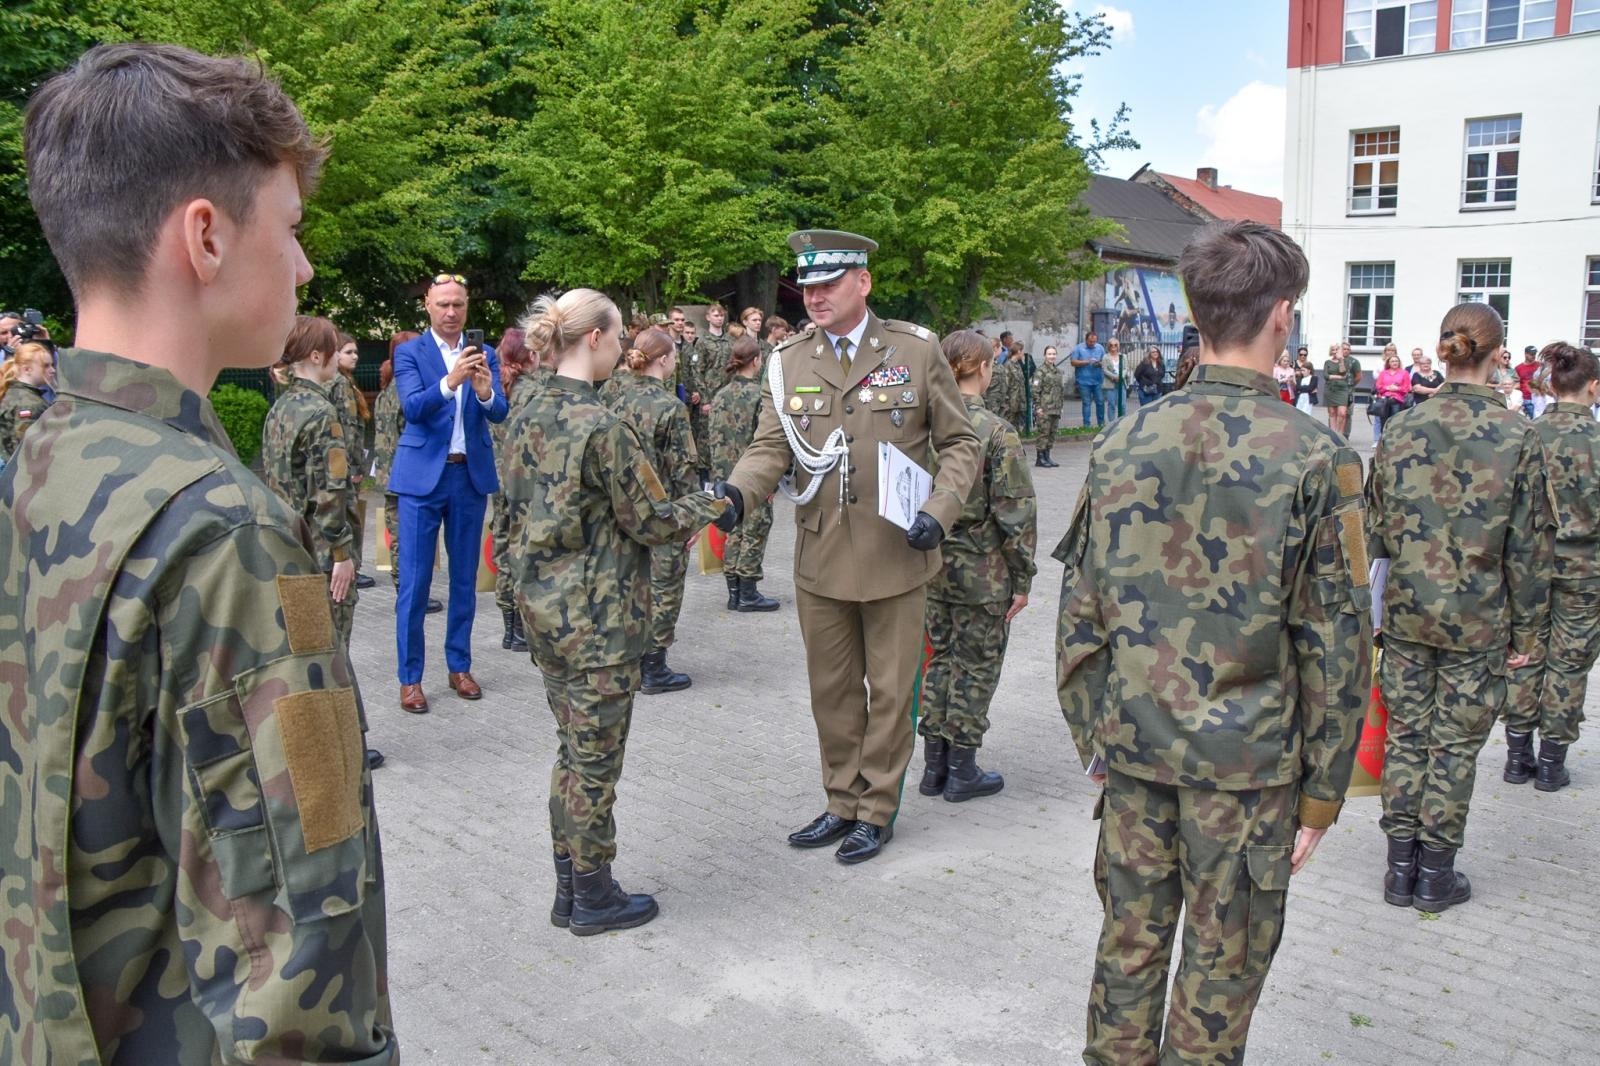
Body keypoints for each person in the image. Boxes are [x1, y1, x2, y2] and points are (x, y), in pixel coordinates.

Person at [2, 41, 395, 1060]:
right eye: (292, 229)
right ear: (206, 236)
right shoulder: (228, 535)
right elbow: (299, 985)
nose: (304, 267)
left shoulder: (38, 457)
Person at [1057, 221, 1369, 1063]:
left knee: (1126, 955)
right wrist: (1322, 795)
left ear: (1197, 316)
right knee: (1219, 982)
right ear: (1283, 316)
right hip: (1250, 773)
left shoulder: (1122, 439)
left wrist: (1097, 735)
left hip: (1135, 756)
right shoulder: (1319, 458)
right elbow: (1339, 648)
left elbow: (1077, 611)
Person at [717, 229, 980, 864]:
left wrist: (940, 512)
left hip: (898, 549)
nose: (814, 296)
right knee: (832, 691)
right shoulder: (789, 361)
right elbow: (770, 448)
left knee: (891, 692)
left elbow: (960, 444)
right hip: (822, 554)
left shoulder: (914, 351)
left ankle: (877, 809)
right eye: (806, 286)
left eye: (828, 284)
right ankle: (841, 800)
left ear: (863, 282)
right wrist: (735, 496)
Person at [503, 288, 727, 936]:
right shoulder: (601, 425)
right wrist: (721, 505)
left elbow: (514, 503)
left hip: (543, 607)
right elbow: (654, 519)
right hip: (598, 617)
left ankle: (570, 888)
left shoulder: (527, 404)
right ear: (594, 338)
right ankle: (595, 894)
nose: (623, 345)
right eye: (619, 332)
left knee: (572, 751)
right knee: (595, 759)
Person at [1366, 302, 1554, 914]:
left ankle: (1400, 871)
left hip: (1408, 611)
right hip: (1479, 617)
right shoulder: (1518, 435)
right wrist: (1528, 630)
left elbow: (1375, 529)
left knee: (1409, 738)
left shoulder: (1401, 427)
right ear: (1499, 353)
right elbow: (1529, 543)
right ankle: (1435, 875)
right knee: (1453, 747)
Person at [917, 330, 1036, 802]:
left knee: (939, 661)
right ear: (983, 369)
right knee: (976, 666)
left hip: (929, 564)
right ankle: (962, 769)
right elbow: (1015, 511)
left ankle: (933, 767)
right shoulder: (995, 431)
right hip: (983, 574)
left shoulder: (921, 425)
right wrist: (1023, 578)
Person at [261, 316, 385, 771]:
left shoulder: (283, 407)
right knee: (333, 649)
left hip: (288, 546)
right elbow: (330, 494)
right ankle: (339, 748)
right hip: (320, 551)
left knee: (305, 650)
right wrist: (341, 556)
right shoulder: (320, 413)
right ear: (317, 356)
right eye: (334, 349)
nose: (338, 356)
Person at [389, 274, 508, 713]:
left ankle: (459, 666)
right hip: (421, 479)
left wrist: (484, 392)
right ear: (428, 305)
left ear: (467, 305)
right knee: (416, 584)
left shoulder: (486, 353)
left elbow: (499, 413)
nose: (452, 312)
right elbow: (413, 408)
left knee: (464, 581)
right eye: (443, 305)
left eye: (458, 304)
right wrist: (450, 381)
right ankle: (411, 678)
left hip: (468, 478)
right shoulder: (410, 353)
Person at [1503, 341, 1600, 792]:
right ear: (1594, 388)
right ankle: (1551, 762)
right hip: (1585, 569)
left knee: (1525, 656)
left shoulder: (1527, 434)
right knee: (1569, 665)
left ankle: (1516, 754)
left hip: (1531, 570)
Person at [608, 326, 703, 692]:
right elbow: (683, 468)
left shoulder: (615, 400)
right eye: (674, 356)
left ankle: (629, 657)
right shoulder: (670, 407)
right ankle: (654, 667)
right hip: (662, 512)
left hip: (622, 510)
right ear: (663, 360)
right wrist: (693, 516)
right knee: (663, 586)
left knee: (627, 582)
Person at [709, 334, 781, 611]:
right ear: (756, 360)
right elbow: (766, 440)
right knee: (756, 528)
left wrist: (717, 476)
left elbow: (712, 438)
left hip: (726, 476)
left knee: (734, 530)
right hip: (752, 476)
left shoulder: (720, 395)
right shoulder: (758, 397)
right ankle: (748, 590)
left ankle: (734, 591)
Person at [490, 326, 537, 652]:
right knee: (524, 549)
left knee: (503, 543)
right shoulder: (533, 391)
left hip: (498, 477)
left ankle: (510, 627)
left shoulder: (496, 388)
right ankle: (521, 625)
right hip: (525, 482)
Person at [0, 340, 56, 462]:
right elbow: (26, 449)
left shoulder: (13, 392)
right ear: (27, 369)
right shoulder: (29, 403)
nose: (52, 370)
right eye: (46, 365)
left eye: (52, 365)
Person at [1031, 344, 1064, 467]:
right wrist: (1038, 407)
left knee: (1052, 433)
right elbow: (1035, 390)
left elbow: (1061, 390)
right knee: (1043, 433)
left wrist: (1061, 406)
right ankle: (1040, 458)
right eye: (1049, 354)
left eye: (1054, 354)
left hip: (1055, 408)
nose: (1052, 356)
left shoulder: (1058, 371)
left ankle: (1047, 456)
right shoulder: (1040, 372)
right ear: (1045, 355)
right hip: (1044, 408)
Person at [1069, 329, 1107, 427]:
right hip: (1083, 381)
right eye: (1090, 341)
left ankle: (1101, 423)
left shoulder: (1100, 348)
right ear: (1086, 340)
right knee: (1086, 403)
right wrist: (1086, 362)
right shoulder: (1078, 348)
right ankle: (1086, 425)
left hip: (1098, 380)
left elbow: (1105, 361)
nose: (1092, 343)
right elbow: (1073, 362)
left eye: (1094, 341)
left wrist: (1099, 363)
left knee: (1100, 402)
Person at [1324, 340, 1361, 437]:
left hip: (1346, 390)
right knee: (1332, 413)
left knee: (1345, 414)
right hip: (1332, 389)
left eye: (1348, 349)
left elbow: (1358, 376)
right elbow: (1326, 375)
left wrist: (1351, 385)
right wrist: (1338, 377)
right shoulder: (1328, 362)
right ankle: (1333, 434)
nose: (1346, 351)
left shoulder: (1352, 361)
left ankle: (1344, 435)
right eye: (1344, 349)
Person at [1372, 349, 1411, 438]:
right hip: (1384, 399)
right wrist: (1387, 388)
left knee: (1395, 421)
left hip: (1397, 399)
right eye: (1392, 361)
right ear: (1388, 363)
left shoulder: (1404, 373)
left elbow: (1407, 388)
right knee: (1383, 421)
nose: (1395, 363)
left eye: (1396, 361)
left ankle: (1394, 439)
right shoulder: (1383, 373)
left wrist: (1397, 388)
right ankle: (1382, 439)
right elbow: (1378, 386)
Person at [1515, 344, 1541, 419]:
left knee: (1536, 419)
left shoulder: (1539, 365)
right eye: (1532, 354)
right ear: (1526, 354)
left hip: (1537, 397)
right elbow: (1517, 383)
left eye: (1535, 354)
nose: (1534, 356)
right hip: (1524, 398)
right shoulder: (1518, 368)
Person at [1103, 337, 1126, 418]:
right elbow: (1105, 370)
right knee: (1111, 404)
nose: (1113, 346)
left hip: (1121, 383)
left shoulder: (1123, 356)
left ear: (1118, 346)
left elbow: (1125, 368)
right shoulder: (1105, 357)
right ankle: (1111, 424)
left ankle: (1122, 422)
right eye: (1111, 345)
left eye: (1115, 345)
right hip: (1110, 383)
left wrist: (1121, 376)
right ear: (1108, 346)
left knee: (1122, 404)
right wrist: (1115, 377)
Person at [1294, 349, 1319, 414]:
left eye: (1303, 370)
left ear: (1309, 370)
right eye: (1301, 370)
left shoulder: (1313, 378)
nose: (1302, 372)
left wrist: (1303, 388)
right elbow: (1297, 387)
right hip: (1300, 398)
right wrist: (1305, 388)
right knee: (1298, 412)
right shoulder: (1300, 378)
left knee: (1307, 413)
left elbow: (1310, 388)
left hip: (1308, 398)